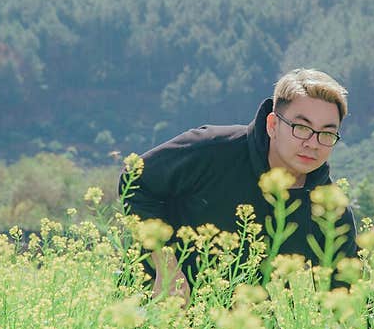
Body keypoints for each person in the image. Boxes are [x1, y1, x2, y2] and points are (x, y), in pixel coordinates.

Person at [119, 68, 358, 302]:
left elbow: (351, 298)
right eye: (302, 128)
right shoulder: (213, 149)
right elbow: (135, 179)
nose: (313, 143)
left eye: (327, 133)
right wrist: (166, 265)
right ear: (273, 125)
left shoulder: (329, 208)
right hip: (155, 313)